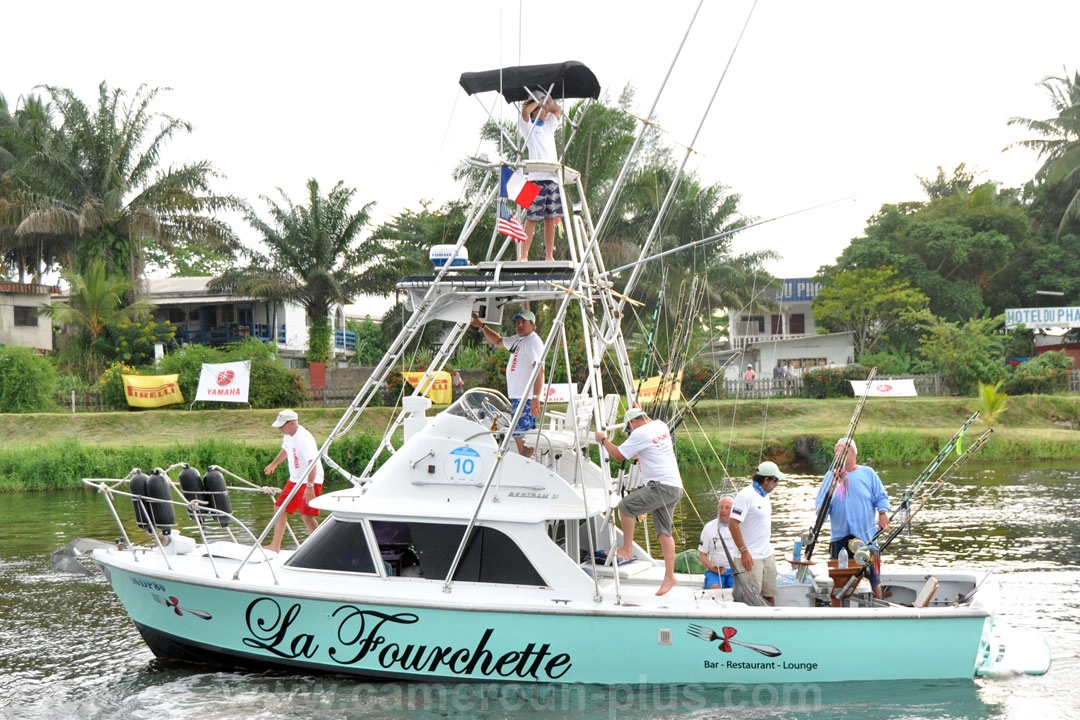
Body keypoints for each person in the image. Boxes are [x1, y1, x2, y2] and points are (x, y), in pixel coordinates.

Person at [595, 408, 684, 596]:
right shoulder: (659, 425)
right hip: (675, 486)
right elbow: (645, 437)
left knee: (626, 506)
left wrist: (602, 440)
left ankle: (626, 549)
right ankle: (670, 576)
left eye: (629, 430)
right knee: (664, 533)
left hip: (661, 486)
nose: (630, 434)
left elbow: (618, 455)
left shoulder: (640, 433)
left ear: (633, 423)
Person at [815, 438, 891, 599]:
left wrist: (883, 514)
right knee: (839, 580)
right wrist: (823, 508)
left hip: (866, 537)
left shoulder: (868, 473)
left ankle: (879, 607)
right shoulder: (830, 477)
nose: (837, 455)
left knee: (873, 578)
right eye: (836, 452)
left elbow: (881, 497)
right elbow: (821, 507)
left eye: (841, 451)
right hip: (840, 538)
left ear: (853, 453)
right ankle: (839, 612)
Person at [470, 309, 545, 457]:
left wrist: (536, 398)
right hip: (519, 395)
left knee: (520, 432)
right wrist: (482, 326)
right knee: (519, 430)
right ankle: (526, 456)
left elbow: (539, 370)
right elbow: (498, 341)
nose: (520, 324)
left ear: (532, 325)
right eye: (518, 322)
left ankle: (526, 458)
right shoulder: (518, 339)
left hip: (526, 397)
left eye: (524, 322)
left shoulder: (532, 341)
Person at [264, 409, 325, 553]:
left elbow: (313, 463)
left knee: (306, 515)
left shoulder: (304, 438)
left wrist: (310, 486)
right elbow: (286, 450)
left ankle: (320, 546)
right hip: (296, 479)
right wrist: (274, 463)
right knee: (279, 507)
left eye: (282, 426)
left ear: (292, 423)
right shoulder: (288, 434)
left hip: (311, 479)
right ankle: (275, 546)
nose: (280, 428)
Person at [728, 460, 785, 605]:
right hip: (750, 557)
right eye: (775, 480)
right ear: (766, 480)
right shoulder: (745, 495)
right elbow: (732, 524)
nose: (777, 484)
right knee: (750, 600)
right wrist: (744, 551)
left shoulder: (765, 495)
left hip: (767, 554)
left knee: (769, 594)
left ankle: (773, 624)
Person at [517, 95, 563, 261]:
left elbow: (558, 110)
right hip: (535, 177)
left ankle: (549, 256)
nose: (545, 112)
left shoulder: (548, 125)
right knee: (531, 218)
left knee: (551, 219)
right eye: (541, 110)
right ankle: (524, 255)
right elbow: (525, 112)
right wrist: (539, 102)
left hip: (552, 178)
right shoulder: (529, 125)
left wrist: (548, 103)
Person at [698, 495, 736, 589]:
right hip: (714, 571)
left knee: (737, 590)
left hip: (736, 571)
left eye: (727, 508)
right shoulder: (709, 527)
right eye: (720, 507)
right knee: (715, 590)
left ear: (734, 510)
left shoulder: (741, 527)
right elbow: (702, 555)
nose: (723, 510)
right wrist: (712, 567)